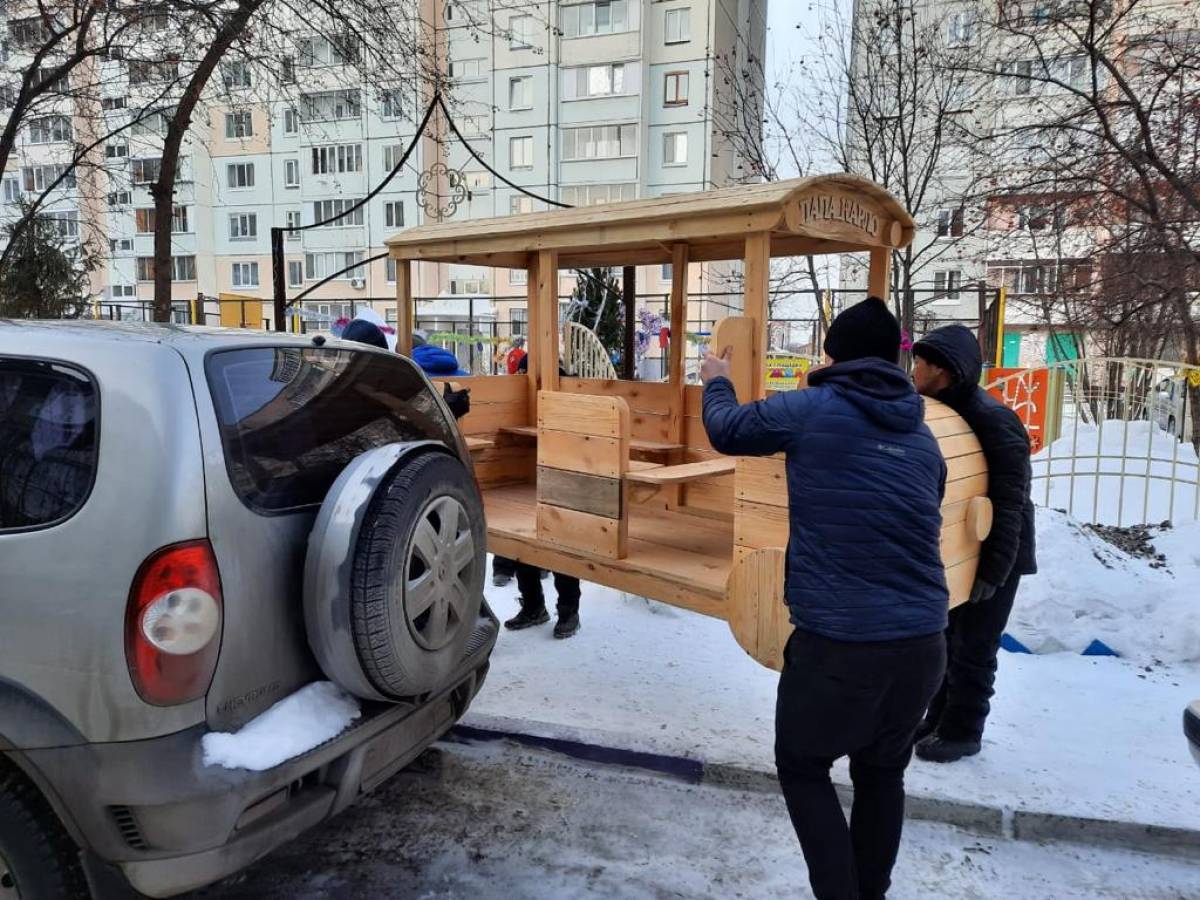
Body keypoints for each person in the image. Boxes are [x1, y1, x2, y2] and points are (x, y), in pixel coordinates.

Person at [701, 296, 948, 900]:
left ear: (835, 356)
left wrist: (716, 383)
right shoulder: (923, 437)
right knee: (882, 773)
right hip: (922, 646)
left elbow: (728, 430)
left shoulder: (817, 408)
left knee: (804, 767)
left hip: (842, 645)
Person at [911, 325, 1036, 763]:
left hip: (997, 551)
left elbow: (1011, 502)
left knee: (976, 646)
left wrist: (994, 569)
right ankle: (937, 718)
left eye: (920, 363)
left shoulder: (992, 419)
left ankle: (964, 730)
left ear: (943, 370)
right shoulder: (938, 412)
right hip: (958, 550)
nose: (913, 371)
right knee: (946, 638)